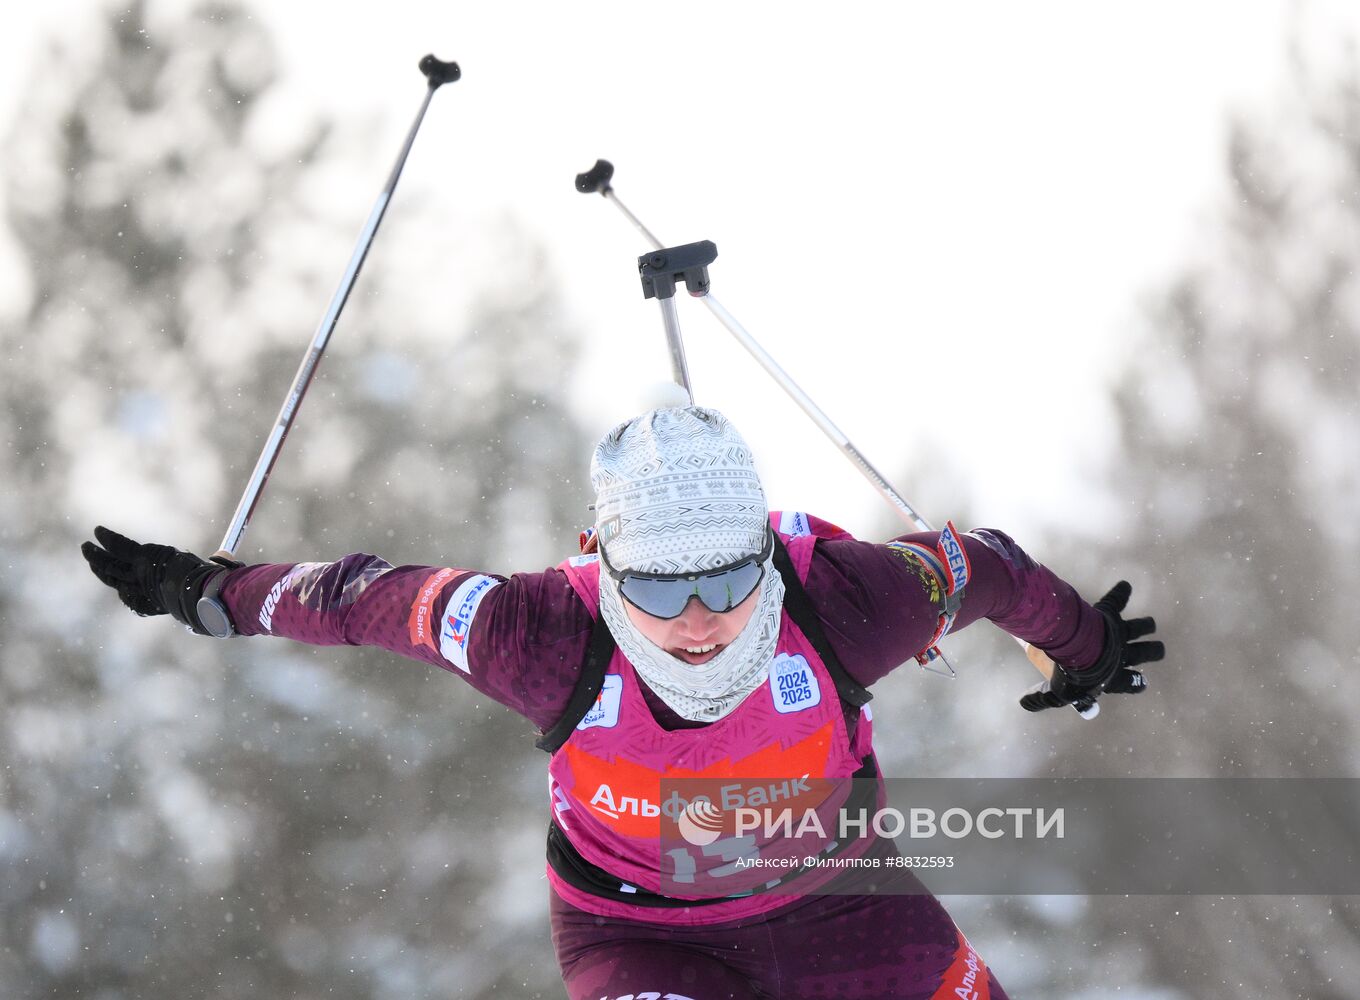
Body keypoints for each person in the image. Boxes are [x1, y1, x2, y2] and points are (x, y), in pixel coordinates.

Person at [82, 405, 1163, 999]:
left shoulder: (851, 603)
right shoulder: (540, 633)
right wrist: (217, 594)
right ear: (604, 563)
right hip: (640, 935)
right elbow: (370, 600)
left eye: (728, 583)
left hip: (848, 905)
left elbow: (986, 566)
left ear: (764, 558)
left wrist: (1084, 643)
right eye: (659, 587)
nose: (698, 618)